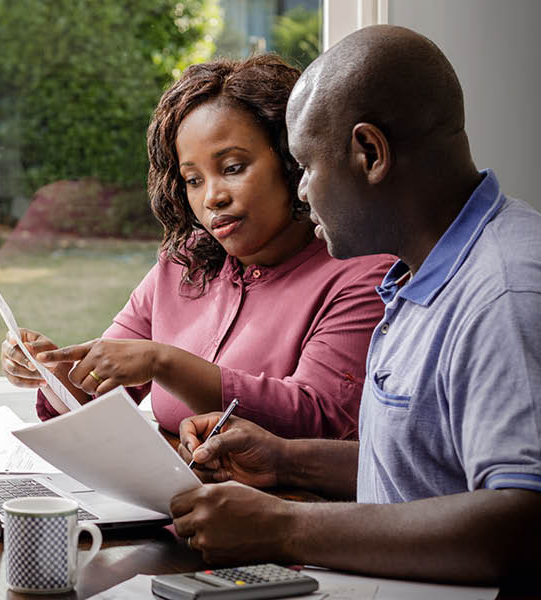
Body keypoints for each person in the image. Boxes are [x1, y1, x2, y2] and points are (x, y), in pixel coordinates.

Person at [169, 25, 541, 583]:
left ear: (370, 153)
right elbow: (429, 470)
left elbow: (523, 524)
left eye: (308, 167)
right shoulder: (422, 275)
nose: (301, 192)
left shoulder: (504, 292)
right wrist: (285, 459)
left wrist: (284, 527)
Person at [1, 55, 394, 439]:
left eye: (233, 168)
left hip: (292, 503)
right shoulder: (184, 260)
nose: (212, 197)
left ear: (292, 161)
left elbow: (320, 415)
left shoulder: (362, 273)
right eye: (193, 179)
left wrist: (164, 362)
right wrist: (53, 369)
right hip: (176, 494)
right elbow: (99, 391)